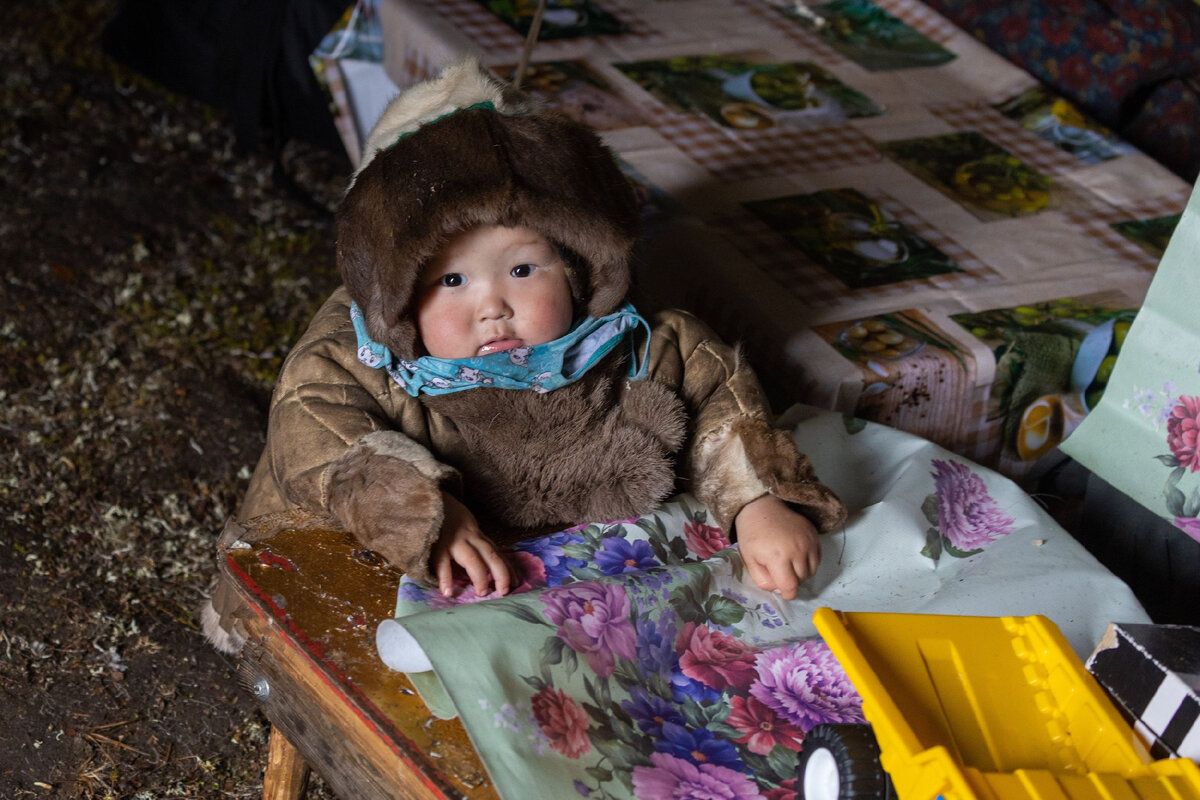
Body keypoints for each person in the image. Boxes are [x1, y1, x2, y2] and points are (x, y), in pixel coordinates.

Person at [226, 58, 845, 627]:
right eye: (451, 281)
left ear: (577, 266)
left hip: (579, 584)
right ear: (397, 297)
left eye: (522, 271)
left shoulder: (637, 344)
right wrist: (422, 512)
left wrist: (758, 505)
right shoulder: (352, 358)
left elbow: (722, 410)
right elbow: (319, 435)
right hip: (413, 564)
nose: (493, 306)